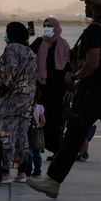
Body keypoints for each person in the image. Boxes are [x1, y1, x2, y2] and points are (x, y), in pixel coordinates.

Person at [29, 0, 101, 201]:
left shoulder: (94, 31)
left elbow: (92, 62)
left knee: (73, 136)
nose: (85, 6)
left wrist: (76, 77)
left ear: (93, 5)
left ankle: (52, 181)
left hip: (93, 89)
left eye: (87, 3)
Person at [0, 22, 37, 184]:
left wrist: (3, 88)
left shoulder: (12, 49)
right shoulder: (29, 51)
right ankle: (22, 172)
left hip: (12, 98)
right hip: (27, 98)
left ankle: (5, 172)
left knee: (5, 132)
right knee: (22, 134)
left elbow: (12, 70)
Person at [30, 17, 70, 157]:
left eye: (49, 26)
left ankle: (57, 151)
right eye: (44, 25)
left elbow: (68, 67)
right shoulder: (38, 42)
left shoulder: (63, 44)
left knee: (57, 121)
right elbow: (28, 57)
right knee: (40, 119)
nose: (46, 28)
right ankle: (38, 148)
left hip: (58, 90)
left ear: (56, 27)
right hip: (41, 89)